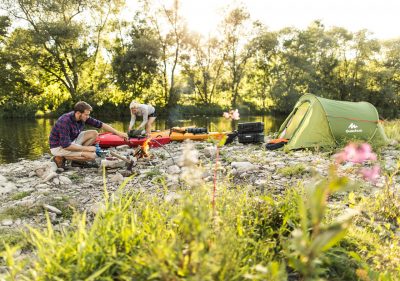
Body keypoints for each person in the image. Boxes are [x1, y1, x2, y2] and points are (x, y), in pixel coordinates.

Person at [49, 101, 128, 168]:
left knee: (94, 133)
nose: (88, 117)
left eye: (88, 114)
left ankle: (76, 161)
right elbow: (65, 145)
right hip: (59, 147)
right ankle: (62, 157)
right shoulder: (65, 121)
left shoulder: (82, 117)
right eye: (86, 114)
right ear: (78, 113)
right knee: (92, 156)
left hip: (71, 142)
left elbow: (101, 124)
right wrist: (87, 148)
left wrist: (118, 133)